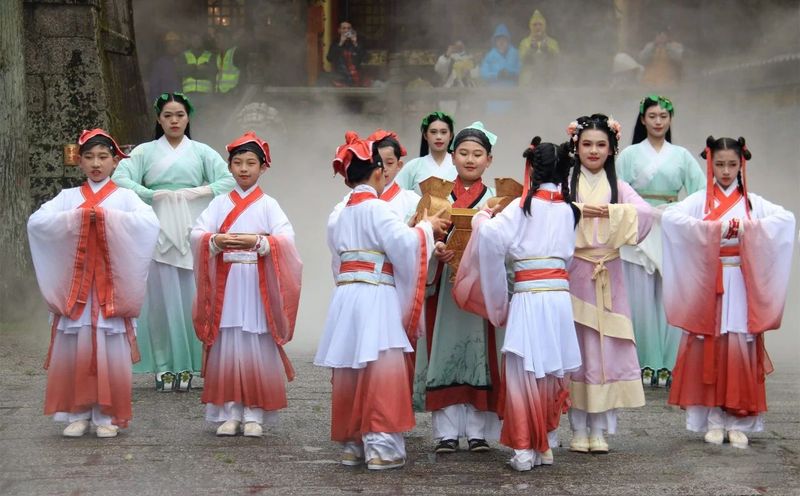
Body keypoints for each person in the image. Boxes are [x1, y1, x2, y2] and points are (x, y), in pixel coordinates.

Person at [314, 132, 447, 470]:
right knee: (380, 366)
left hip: (347, 294)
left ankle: (353, 444)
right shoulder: (379, 208)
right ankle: (382, 447)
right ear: (376, 172)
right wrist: (427, 228)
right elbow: (405, 246)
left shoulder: (339, 213)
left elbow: (336, 260)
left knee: (352, 367)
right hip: (376, 293)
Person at [453, 138, 582, 470]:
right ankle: (546, 443)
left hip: (529, 296)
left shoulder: (521, 207)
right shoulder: (570, 209)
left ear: (532, 169)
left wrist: (482, 217)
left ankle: (525, 447)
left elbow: (492, 239)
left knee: (524, 370)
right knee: (551, 371)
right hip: (558, 298)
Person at [662, 136, 795, 449]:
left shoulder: (752, 203)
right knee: (710, 347)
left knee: (739, 349)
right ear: (710, 164)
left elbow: (786, 219)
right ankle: (713, 419)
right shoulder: (700, 201)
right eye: (719, 164)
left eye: (731, 165)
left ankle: (737, 420)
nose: (725, 171)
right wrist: (713, 230)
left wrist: (749, 229)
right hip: (710, 282)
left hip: (739, 281)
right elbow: (671, 217)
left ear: (741, 164)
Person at [27, 129, 159, 437]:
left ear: (116, 161)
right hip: (78, 288)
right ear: (80, 162)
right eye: (89, 157)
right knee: (76, 348)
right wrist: (79, 219)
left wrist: (105, 217)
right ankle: (78, 412)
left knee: (109, 348)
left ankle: (107, 415)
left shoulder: (126, 197)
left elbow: (149, 224)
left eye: (103, 157)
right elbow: (37, 222)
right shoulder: (68, 197)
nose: (96, 164)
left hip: (109, 288)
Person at [113, 92, 235, 391]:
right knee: (159, 299)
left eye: (179, 115)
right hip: (156, 224)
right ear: (158, 119)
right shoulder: (144, 152)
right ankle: (163, 366)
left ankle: (191, 365)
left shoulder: (202, 152)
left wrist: (201, 191)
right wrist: (152, 194)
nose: (174, 120)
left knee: (192, 296)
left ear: (188, 117)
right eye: (167, 115)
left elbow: (229, 178)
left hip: (193, 224)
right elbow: (120, 177)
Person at [191, 132, 302, 438]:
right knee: (227, 342)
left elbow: (286, 240)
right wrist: (213, 240)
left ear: (263, 167)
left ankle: (254, 412)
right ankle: (229, 410)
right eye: (237, 162)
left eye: (250, 163)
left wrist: (261, 242)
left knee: (254, 342)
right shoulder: (218, 203)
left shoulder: (269, 204)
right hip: (227, 282)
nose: (243, 169)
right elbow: (197, 232)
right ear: (229, 166)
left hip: (256, 283)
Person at [564, 114, 654, 454]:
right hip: (574, 270)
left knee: (605, 350)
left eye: (601, 144)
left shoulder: (619, 185)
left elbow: (645, 214)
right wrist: (580, 209)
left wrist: (610, 213)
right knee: (577, 349)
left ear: (612, 148)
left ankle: (600, 428)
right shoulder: (566, 179)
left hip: (608, 271)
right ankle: (576, 427)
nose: (593, 150)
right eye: (587, 143)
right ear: (576, 146)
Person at [413, 121, 500, 455]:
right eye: (463, 152)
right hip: (445, 290)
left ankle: (478, 431)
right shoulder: (435, 197)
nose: (470, 159)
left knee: (480, 352)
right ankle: (446, 431)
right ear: (452, 155)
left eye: (478, 154)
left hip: (479, 288)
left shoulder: (495, 200)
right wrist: (435, 249)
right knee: (444, 350)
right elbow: (419, 236)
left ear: (489, 160)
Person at [616, 95, 706, 387]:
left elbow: (700, 192)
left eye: (663, 117)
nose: (657, 122)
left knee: (671, 295)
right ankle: (644, 361)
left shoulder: (681, 155)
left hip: (670, 224)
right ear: (642, 120)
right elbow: (615, 190)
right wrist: (641, 210)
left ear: (670, 120)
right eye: (652, 116)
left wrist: (677, 212)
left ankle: (670, 362)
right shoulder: (629, 155)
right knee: (640, 297)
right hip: (639, 225)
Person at [330, 129, 421, 224]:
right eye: (378, 163)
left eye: (389, 163)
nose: (382, 168)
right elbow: (334, 224)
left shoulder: (412, 200)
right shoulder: (351, 199)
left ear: (399, 165)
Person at [393, 111, 456, 195]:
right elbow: (395, 194)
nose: (438, 137)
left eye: (443, 132)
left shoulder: (459, 165)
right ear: (425, 135)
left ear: (451, 135)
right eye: (433, 132)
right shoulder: (413, 166)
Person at [518, 10, 560, 87]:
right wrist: (531, 51)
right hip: (529, 83)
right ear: (530, 26)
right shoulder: (524, 43)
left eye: (540, 24)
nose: (538, 27)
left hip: (548, 83)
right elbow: (522, 61)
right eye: (534, 25)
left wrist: (547, 51)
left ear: (544, 26)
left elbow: (557, 61)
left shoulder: (552, 42)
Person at [327, 21, 367, 87]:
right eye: (344, 28)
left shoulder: (358, 42)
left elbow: (365, 59)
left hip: (356, 78)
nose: (346, 30)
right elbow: (330, 58)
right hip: (340, 78)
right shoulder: (335, 43)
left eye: (349, 28)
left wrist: (355, 43)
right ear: (339, 30)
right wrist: (341, 43)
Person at [147, 31, 183, 104]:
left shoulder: (184, 61)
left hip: (182, 104)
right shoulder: (160, 64)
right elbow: (154, 86)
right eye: (170, 45)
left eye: (175, 44)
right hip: (166, 104)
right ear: (166, 47)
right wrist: (157, 103)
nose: (173, 47)